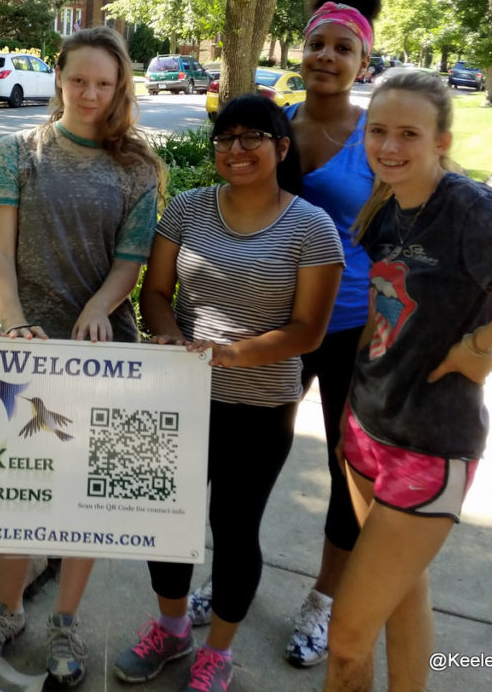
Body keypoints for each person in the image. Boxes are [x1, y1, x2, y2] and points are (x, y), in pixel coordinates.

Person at [323, 71, 492, 692]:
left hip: (427, 447)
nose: (389, 146)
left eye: (409, 134)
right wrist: (349, 413)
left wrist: (476, 345)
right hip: (366, 429)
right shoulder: (388, 201)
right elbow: (384, 313)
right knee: (403, 598)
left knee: (347, 641)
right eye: (378, 131)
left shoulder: (468, 207)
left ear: (442, 139)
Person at [114, 94, 344, 692]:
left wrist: (227, 353)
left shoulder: (311, 228)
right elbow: (156, 294)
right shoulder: (187, 210)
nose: (236, 150)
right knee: (165, 519)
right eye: (225, 138)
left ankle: (218, 651)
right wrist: (170, 341)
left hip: (261, 405)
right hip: (181, 395)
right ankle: (171, 629)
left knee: (236, 528)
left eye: (253, 138)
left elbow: (308, 330)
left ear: (281, 147)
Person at [0, 26, 165, 687]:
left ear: (119, 87)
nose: (90, 94)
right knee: (21, 492)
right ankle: (8, 608)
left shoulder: (138, 166)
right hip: (28, 352)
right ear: (59, 77)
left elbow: (130, 264)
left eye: (104, 83)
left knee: (90, 501)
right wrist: (13, 321)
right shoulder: (16, 153)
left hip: (106, 352)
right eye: (79, 80)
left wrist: (101, 306)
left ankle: (65, 620)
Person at [187, 0, 381, 670]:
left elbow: (408, 229)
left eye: (343, 47)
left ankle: (324, 600)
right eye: (316, 44)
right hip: (278, 324)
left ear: (365, 59)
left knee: (348, 465)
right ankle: (229, 573)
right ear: (300, 52)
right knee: (242, 456)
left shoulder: (378, 132)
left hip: (356, 331)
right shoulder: (277, 128)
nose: (326, 56)